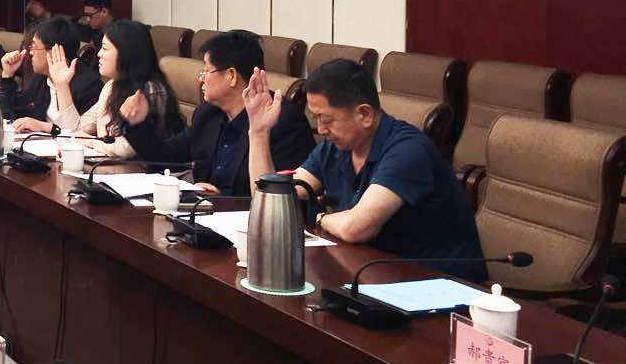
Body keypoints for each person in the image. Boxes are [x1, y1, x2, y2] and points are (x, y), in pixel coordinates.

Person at [244, 59, 486, 281]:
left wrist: (319, 218)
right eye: (315, 119)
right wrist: (259, 132)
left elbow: (356, 228)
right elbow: (267, 196)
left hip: (438, 285)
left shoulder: (408, 151)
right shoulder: (335, 148)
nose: (320, 129)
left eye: (326, 119)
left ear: (365, 115)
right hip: (372, 273)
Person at [120, 30, 316, 196]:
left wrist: (223, 200)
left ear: (231, 76)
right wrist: (138, 124)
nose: (201, 79)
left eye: (206, 71)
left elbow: (281, 196)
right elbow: (165, 158)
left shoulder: (281, 120)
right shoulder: (209, 114)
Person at [54, 19, 183, 156]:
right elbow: (75, 130)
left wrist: (90, 141)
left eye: (105, 49)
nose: (99, 54)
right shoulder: (111, 86)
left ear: (125, 53)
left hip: (141, 168)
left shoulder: (150, 91)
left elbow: (126, 149)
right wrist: (62, 86)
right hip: (111, 166)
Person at [5, 17, 104, 132]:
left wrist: (44, 127)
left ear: (53, 52)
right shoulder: (40, 78)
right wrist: (7, 76)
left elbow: (83, 134)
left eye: (34, 47)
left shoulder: (89, 85)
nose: (30, 52)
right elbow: (12, 117)